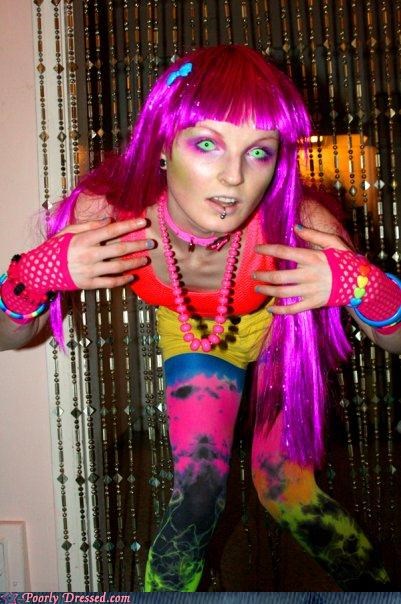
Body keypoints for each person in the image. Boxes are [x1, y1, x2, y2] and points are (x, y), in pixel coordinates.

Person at [1, 45, 400, 592]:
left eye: (258, 152)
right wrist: (29, 279)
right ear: (164, 144)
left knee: (288, 491)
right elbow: (11, 336)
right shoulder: (109, 214)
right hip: (195, 336)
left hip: (282, 331)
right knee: (198, 493)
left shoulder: (302, 223)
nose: (233, 177)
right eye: (207, 143)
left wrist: (367, 287)